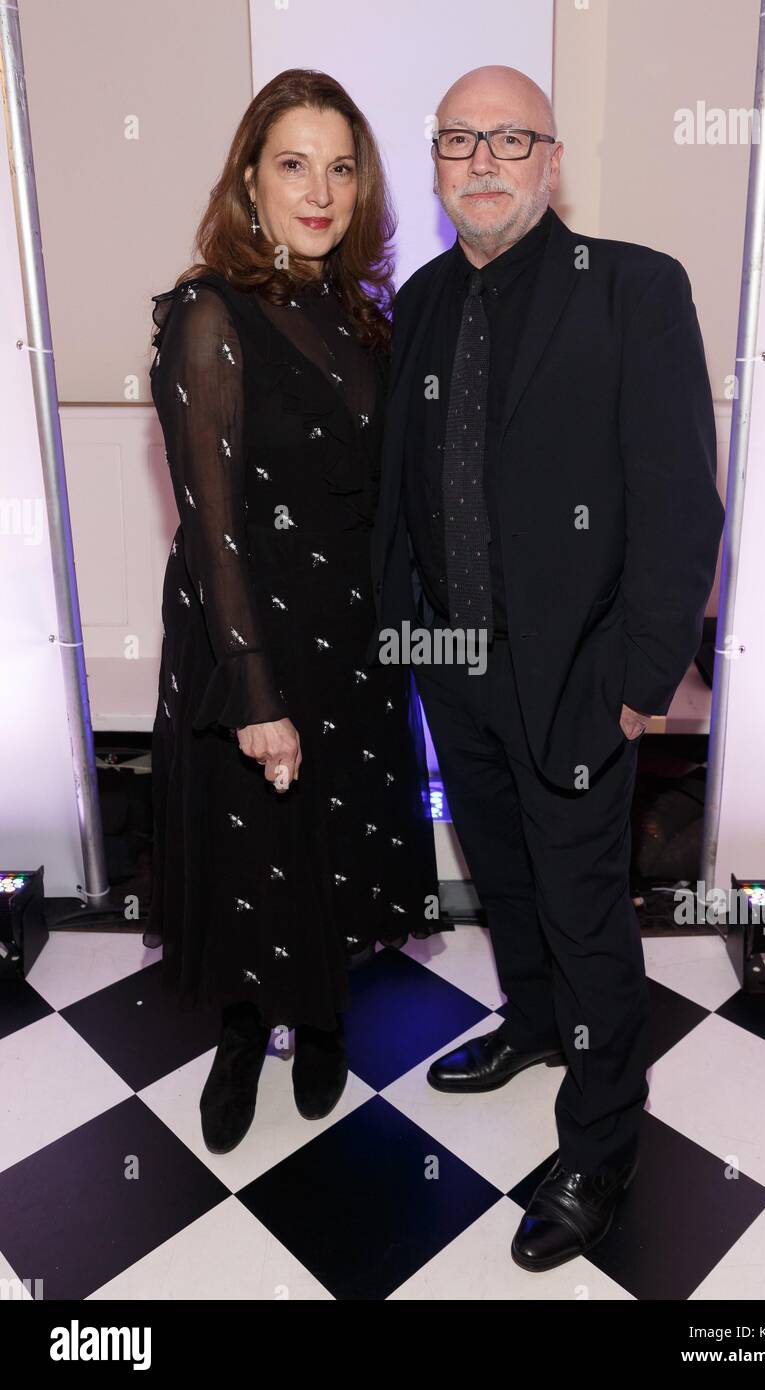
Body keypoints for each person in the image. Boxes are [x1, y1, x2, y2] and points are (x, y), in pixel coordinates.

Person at [370, 65, 725, 1270]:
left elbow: (681, 500)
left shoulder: (631, 287)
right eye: (458, 140)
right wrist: (407, 650)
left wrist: (641, 678)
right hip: (453, 668)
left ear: (550, 159)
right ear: (432, 164)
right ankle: (529, 1023)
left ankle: (599, 1142)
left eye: (508, 139)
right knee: (506, 881)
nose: (481, 161)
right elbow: (397, 502)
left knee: (585, 918)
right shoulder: (416, 302)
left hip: (580, 678)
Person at [145, 69, 442, 1155]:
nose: (318, 190)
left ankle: (318, 1019)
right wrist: (255, 692)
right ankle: (238, 1033)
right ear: (248, 179)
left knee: (327, 844)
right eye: (292, 164)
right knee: (248, 848)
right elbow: (211, 525)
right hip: (249, 637)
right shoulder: (208, 313)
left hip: (352, 638)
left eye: (340, 166)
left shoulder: (360, 315)